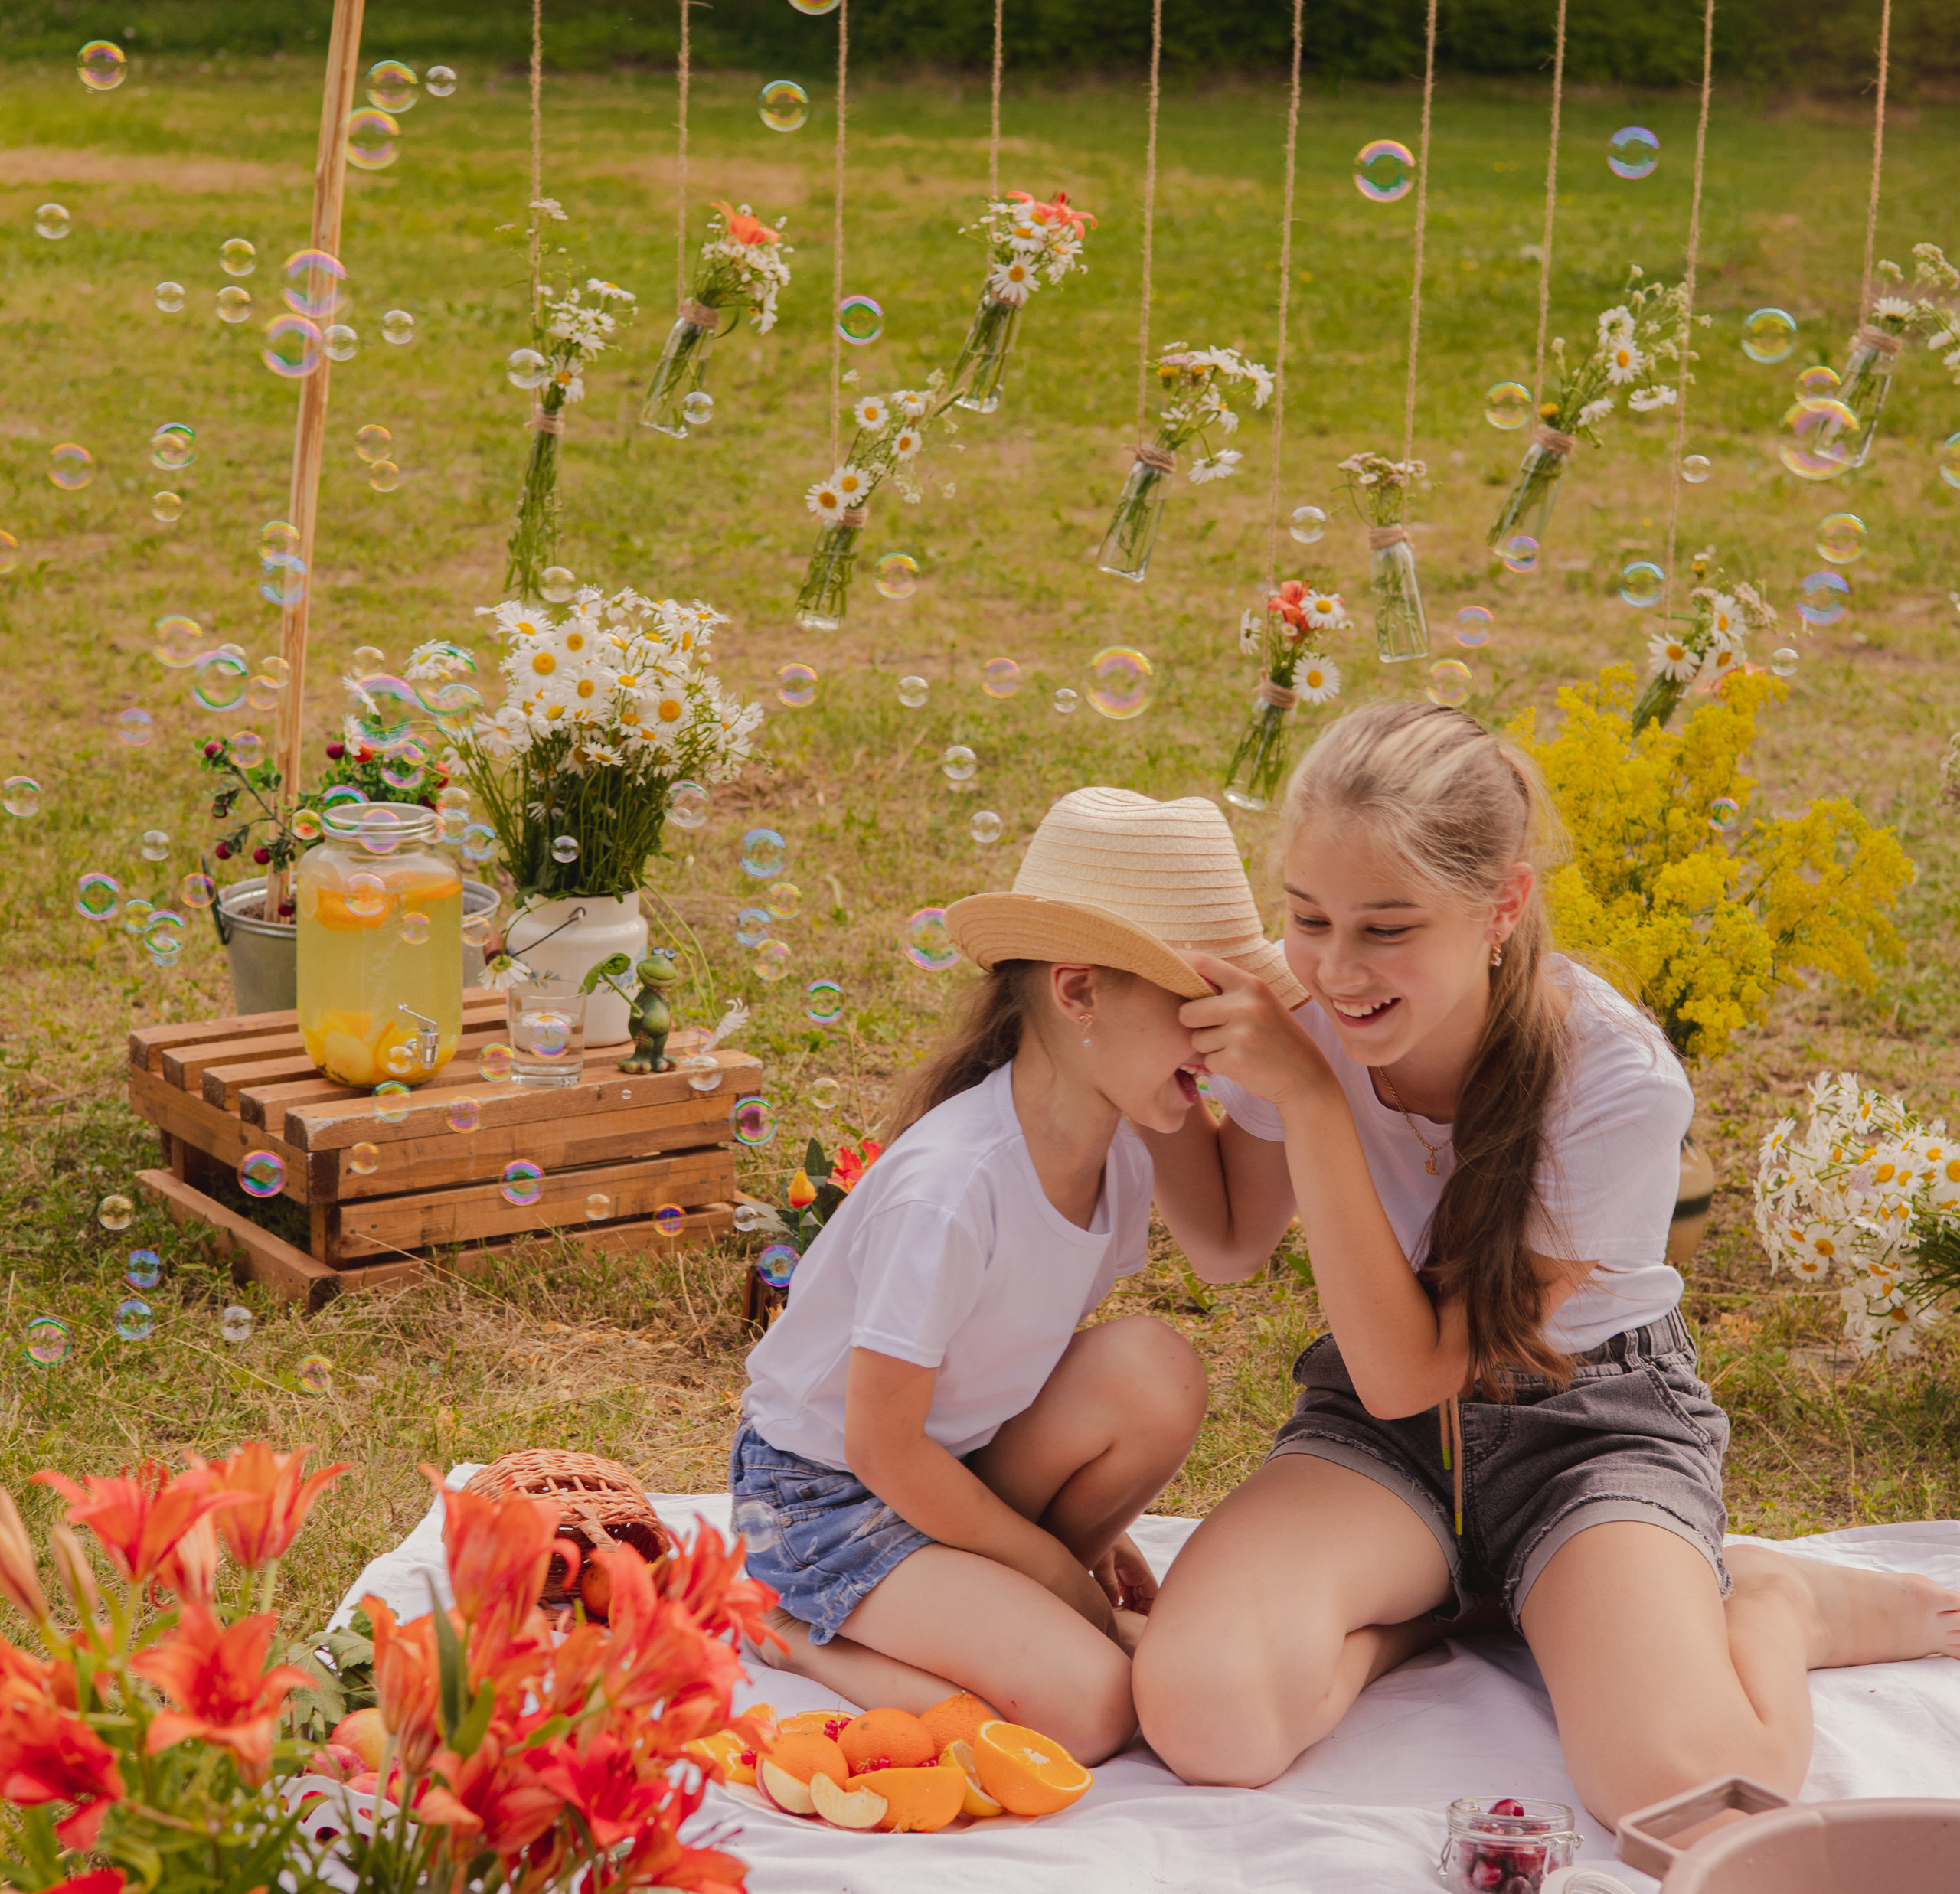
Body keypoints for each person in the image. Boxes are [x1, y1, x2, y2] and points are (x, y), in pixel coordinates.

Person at [1133, 701, 1960, 1823]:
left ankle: (1775, 1605)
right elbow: (1230, 1244)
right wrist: (1147, 1062)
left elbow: (1413, 1367)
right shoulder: (1307, 1006)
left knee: (1689, 1805)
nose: (1333, 967)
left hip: (1589, 1429)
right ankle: (1453, 1606)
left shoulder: (1611, 1079)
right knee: (1204, 1717)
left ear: (1503, 906)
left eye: (1387, 928)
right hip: (1385, 1443)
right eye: (1307, 916)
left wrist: (1315, 1101)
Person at [729, 785, 1305, 1765]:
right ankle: (787, 1630)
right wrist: (1054, 1572)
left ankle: (979, 1603)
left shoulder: (1123, 1153)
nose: (1218, 1041)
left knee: (1155, 1367)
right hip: (823, 1499)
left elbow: (1016, 1355)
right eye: (1193, 1008)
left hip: (943, 1465)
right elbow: (878, 1446)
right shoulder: (950, 1189)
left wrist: (1085, 1547)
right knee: (1093, 1709)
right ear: (1078, 993)